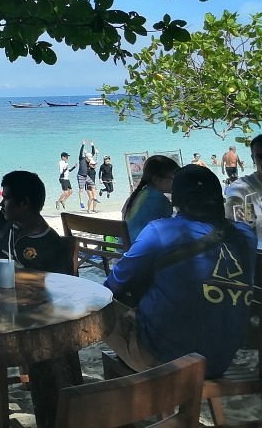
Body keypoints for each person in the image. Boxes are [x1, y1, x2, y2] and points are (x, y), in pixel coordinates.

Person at [104, 165, 256, 377]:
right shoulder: (246, 236)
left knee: (101, 308)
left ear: (175, 200)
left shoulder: (160, 230)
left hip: (165, 360)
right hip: (218, 362)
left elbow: (114, 284)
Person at [0, 170, 71, 274]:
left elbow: (57, 281)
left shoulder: (50, 244)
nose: (1, 204)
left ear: (24, 203)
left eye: (6, 198)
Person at [121, 155, 181, 241]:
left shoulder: (136, 196)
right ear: (156, 179)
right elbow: (169, 231)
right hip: (144, 247)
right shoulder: (159, 200)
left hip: (128, 246)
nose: (178, 182)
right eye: (174, 178)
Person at [224, 133, 262, 238]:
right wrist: (232, 210)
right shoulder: (243, 186)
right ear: (253, 159)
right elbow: (233, 201)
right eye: (260, 156)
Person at [77, 140, 97, 210]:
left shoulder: (89, 160)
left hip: (86, 176)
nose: (90, 160)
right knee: (81, 189)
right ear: (86, 157)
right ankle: (81, 202)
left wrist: (92, 145)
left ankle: (95, 198)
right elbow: (80, 153)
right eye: (89, 159)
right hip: (80, 175)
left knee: (93, 185)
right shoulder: (81, 159)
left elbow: (93, 153)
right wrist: (83, 145)